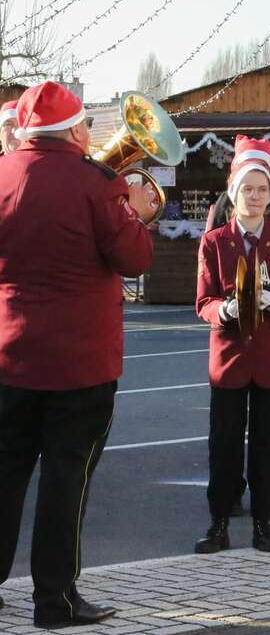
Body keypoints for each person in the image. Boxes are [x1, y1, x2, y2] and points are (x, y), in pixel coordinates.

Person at [0, 81, 156, 628]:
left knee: (4, 475)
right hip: (80, 363)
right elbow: (133, 258)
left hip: (8, 356)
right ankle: (55, 600)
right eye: (87, 124)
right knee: (67, 480)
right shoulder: (98, 183)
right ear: (72, 129)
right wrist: (135, 210)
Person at [194, 139, 270, 554]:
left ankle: (263, 524)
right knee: (222, 444)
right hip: (229, 357)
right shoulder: (214, 241)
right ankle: (218, 523)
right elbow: (202, 302)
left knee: (265, 444)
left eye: (262, 189)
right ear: (234, 193)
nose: (255, 197)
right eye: (247, 189)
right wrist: (223, 310)